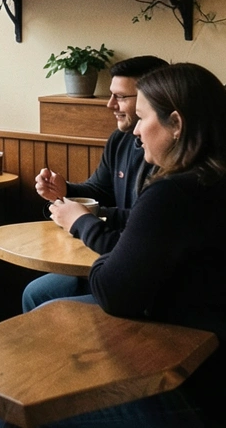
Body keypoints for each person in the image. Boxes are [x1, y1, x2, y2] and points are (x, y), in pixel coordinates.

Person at [0, 63, 226, 427]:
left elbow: (113, 292)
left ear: (176, 123)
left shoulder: (177, 192)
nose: (136, 130)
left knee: (15, 400)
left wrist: (97, 251)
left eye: (142, 117)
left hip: (220, 405)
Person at [25, 55, 169, 310]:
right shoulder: (120, 139)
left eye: (122, 97)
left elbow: (145, 222)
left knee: (45, 307)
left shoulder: (170, 157)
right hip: (111, 256)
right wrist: (65, 191)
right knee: (34, 293)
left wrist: (87, 218)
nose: (110, 104)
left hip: (141, 276)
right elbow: (100, 190)